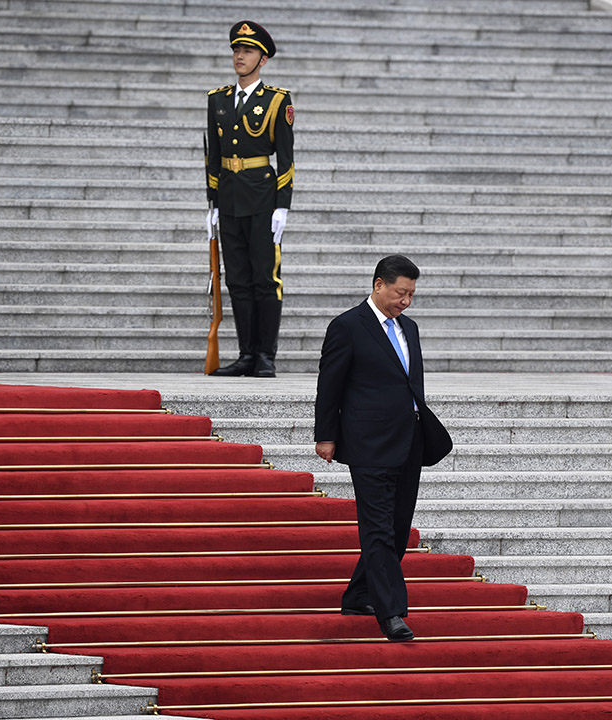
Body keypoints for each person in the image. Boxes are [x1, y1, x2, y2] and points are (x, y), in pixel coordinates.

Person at [313, 255, 453, 642]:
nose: (406, 301)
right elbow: (330, 386)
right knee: (376, 530)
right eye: (400, 292)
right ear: (378, 285)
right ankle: (392, 613)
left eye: (411, 294)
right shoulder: (347, 326)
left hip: (409, 440)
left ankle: (359, 595)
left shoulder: (410, 328)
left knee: (396, 528)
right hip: (368, 444)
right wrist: (325, 435)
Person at [206, 20, 294, 377]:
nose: (240, 56)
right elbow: (214, 154)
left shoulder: (276, 100)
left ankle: (265, 356)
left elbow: (286, 157)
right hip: (228, 198)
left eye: (248, 51)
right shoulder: (218, 100)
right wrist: (212, 202)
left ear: (263, 59)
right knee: (237, 279)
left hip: (262, 197)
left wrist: (283, 205)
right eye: (236, 50)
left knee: (265, 278)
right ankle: (245, 354)